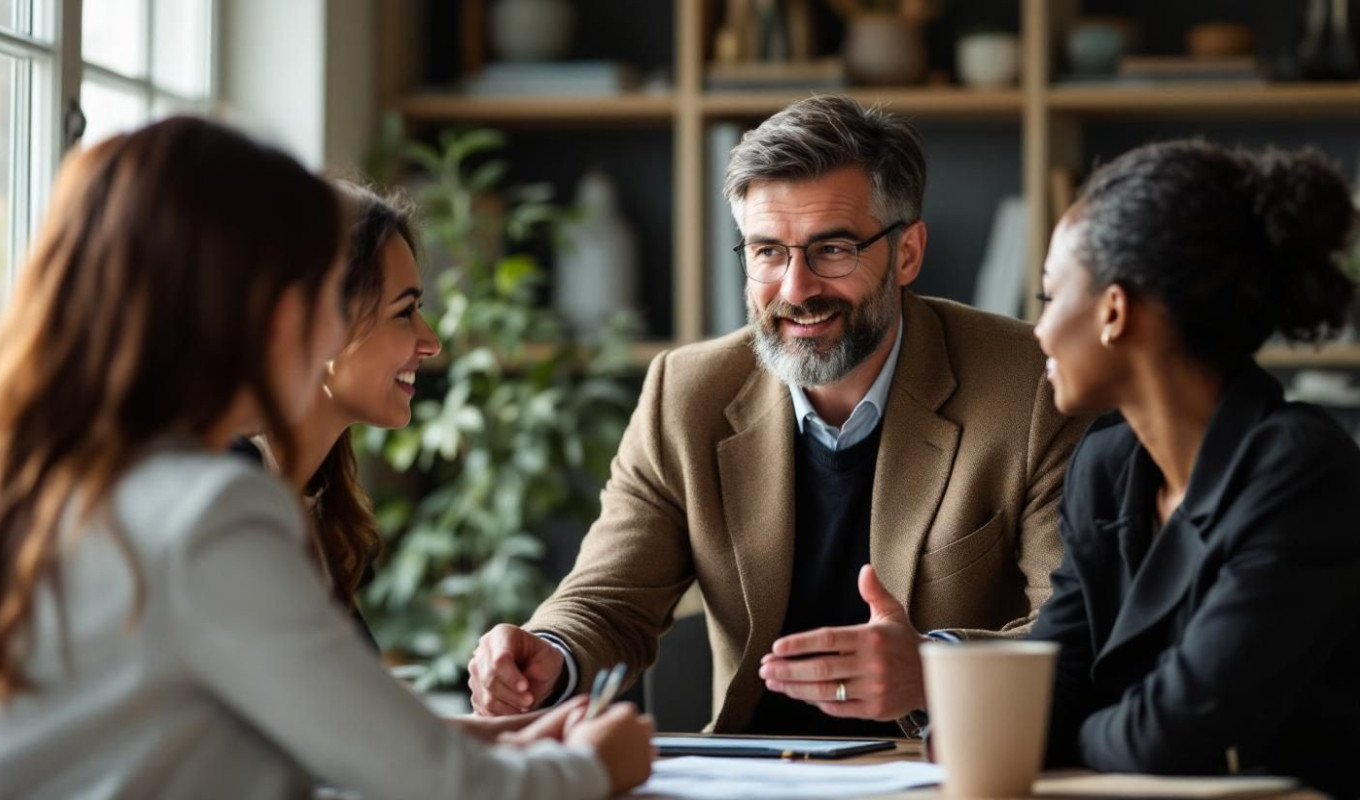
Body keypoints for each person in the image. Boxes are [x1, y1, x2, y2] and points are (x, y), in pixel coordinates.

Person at [0, 118, 652, 800]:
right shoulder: (207, 511)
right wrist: (593, 766)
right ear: (234, 302)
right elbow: (440, 788)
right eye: (307, 291)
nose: (323, 327)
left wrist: (503, 743)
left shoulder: (38, 482)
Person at [468, 95, 1089, 737]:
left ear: (907, 253)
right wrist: (549, 655)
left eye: (834, 249)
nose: (796, 290)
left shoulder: (1031, 385)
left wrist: (934, 669)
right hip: (751, 777)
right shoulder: (686, 394)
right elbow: (609, 599)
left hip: (942, 772)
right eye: (768, 252)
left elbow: (1082, 625)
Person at [1029, 140, 1360, 796]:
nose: (1037, 329)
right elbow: (1043, 688)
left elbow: (1176, 732)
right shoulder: (1105, 466)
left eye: (1048, 295)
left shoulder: (1301, 471)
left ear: (1114, 312)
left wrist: (1075, 725)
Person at [232, 182, 439, 648]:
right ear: (324, 326)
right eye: (405, 312)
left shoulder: (311, 507)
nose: (431, 342)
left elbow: (360, 716)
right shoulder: (235, 487)